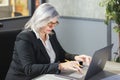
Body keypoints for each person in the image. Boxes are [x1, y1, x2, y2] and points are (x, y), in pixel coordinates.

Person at [5, 3, 91, 80]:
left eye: (55, 23)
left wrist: (76, 57)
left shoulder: (51, 33)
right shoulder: (25, 38)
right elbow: (29, 69)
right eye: (50, 23)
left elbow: (61, 54)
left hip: (45, 77)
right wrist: (60, 66)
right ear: (40, 20)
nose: (52, 27)